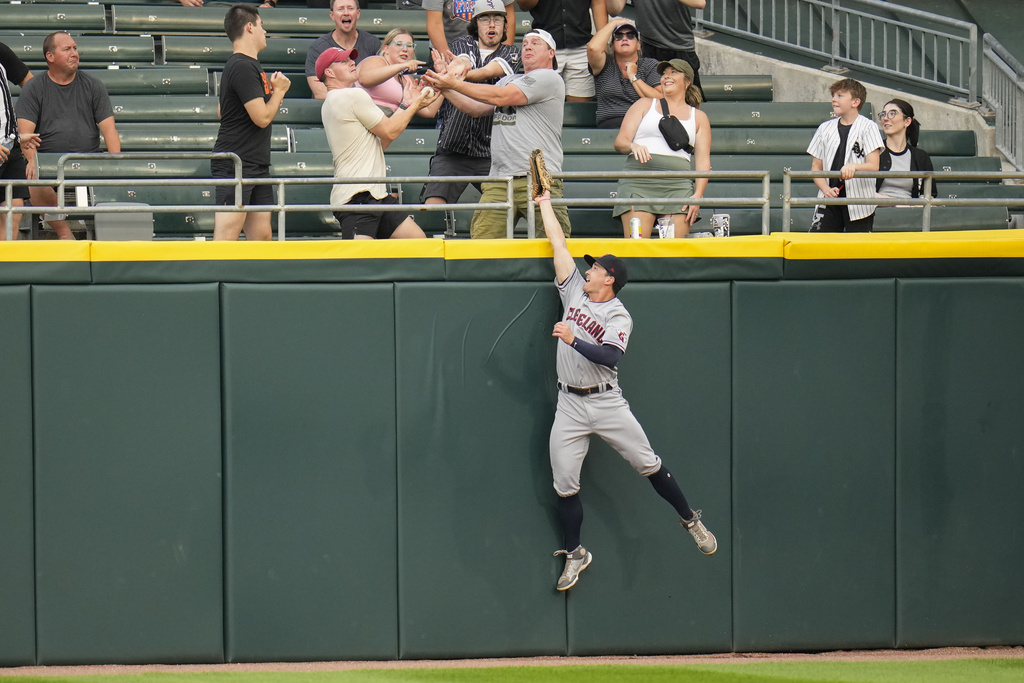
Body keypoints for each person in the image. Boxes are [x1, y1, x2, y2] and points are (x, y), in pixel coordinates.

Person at [534, 187, 717, 592]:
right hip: (569, 403)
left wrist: (572, 339)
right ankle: (575, 554)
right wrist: (545, 203)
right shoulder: (574, 290)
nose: (590, 270)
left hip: (605, 401)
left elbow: (610, 357)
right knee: (564, 483)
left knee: (648, 464)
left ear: (610, 278)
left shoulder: (619, 313)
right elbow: (559, 245)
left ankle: (690, 519)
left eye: (596, 267)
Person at [424, 28, 571, 238]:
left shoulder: (549, 78)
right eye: (526, 42)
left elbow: (501, 97)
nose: (528, 46)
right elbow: (474, 108)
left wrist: (455, 82)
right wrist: (444, 85)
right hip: (500, 179)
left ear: (551, 53)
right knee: (483, 245)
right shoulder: (508, 80)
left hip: (539, 177)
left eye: (536, 43)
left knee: (553, 245)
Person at [319, 47, 435, 239]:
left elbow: (382, 140)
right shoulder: (352, 95)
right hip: (357, 197)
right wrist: (415, 105)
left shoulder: (333, 101)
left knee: (417, 243)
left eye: (351, 59)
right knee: (359, 263)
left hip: (375, 195)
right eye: (343, 61)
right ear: (329, 73)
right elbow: (389, 130)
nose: (351, 63)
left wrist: (407, 104)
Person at [16, 31, 121, 241]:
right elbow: (25, 134)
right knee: (32, 177)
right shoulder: (34, 89)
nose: (74, 53)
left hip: (89, 160)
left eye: (75, 48)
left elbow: (110, 131)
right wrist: (32, 161)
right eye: (67, 49)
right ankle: (65, 234)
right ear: (50, 57)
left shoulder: (93, 86)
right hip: (48, 164)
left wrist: (115, 164)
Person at [421, 0, 522, 208]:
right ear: (476, 24)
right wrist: (454, 71)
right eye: (485, 19)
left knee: (503, 211)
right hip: (453, 148)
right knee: (432, 208)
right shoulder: (460, 44)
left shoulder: (513, 54)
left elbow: (489, 71)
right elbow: (463, 61)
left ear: (505, 25)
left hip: (492, 153)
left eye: (497, 20)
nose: (491, 25)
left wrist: (455, 78)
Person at [211, 4, 290, 241]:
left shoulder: (242, 65)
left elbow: (222, 112)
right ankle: (218, 278)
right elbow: (262, 118)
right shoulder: (243, 65)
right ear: (249, 27)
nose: (265, 32)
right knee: (227, 235)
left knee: (262, 237)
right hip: (237, 163)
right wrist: (280, 91)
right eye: (262, 26)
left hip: (255, 163)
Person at [612, 58, 709, 238]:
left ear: (687, 81)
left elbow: (703, 161)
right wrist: (633, 145)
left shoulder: (699, 117)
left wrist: (698, 195)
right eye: (664, 74)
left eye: (674, 72)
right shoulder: (644, 104)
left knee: (673, 252)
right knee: (637, 248)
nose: (666, 77)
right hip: (638, 183)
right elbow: (620, 142)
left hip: (677, 185)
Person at [806, 78, 883, 233]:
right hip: (829, 200)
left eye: (840, 96)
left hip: (860, 201)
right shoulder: (824, 128)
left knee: (858, 251)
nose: (834, 99)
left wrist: (854, 166)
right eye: (833, 95)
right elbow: (816, 167)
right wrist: (826, 189)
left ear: (855, 102)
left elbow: (874, 166)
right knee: (820, 247)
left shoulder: (869, 127)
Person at [607, 0, 705, 98]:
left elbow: (700, 3)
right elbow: (615, 10)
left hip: (679, 47)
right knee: (651, 104)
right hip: (649, 46)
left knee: (690, 101)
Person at [518, 0, 607, 102]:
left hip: (580, 45)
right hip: (546, 47)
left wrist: (603, 43)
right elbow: (524, 5)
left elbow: (598, 3)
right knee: (544, 103)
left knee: (578, 110)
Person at [588, 18, 662, 129]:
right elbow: (593, 48)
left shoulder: (649, 65)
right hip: (609, 127)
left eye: (631, 35)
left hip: (642, 126)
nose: (624, 38)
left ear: (638, 45)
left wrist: (634, 77)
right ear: (611, 46)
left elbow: (660, 99)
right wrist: (614, 23)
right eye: (618, 36)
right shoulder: (605, 64)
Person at [305, 0, 382, 99]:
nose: (346, 13)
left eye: (350, 8)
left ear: (358, 13)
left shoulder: (373, 43)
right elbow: (320, 92)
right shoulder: (318, 47)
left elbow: (383, 84)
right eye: (340, 9)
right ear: (332, 15)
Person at [0, 41, 37, 241]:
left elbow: (32, 88)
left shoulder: (1, 51)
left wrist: (18, 130)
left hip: (9, 145)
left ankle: (5, 265)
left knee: (12, 210)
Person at [356, 29, 439, 116]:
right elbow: (364, 79)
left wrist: (443, 79)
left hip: (387, 124)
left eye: (410, 45)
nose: (405, 49)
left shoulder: (407, 79)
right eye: (399, 44)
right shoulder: (377, 61)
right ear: (386, 48)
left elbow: (429, 112)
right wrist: (403, 66)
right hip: (362, 119)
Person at [876, 98, 937, 201]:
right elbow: (864, 192)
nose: (885, 118)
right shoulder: (874, 150)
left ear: (907, 121)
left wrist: (916, 205)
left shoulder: (920, 156)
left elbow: (929, 193)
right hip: (877, 211)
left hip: (911, 212)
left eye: (892, 114)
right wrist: (896, 204)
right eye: (883, 114)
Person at [425, 0, 515, 58]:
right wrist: (447, 56)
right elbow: (434, 23)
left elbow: (508, 17)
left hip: (489, 50)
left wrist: (503, 53)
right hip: (449, 49)